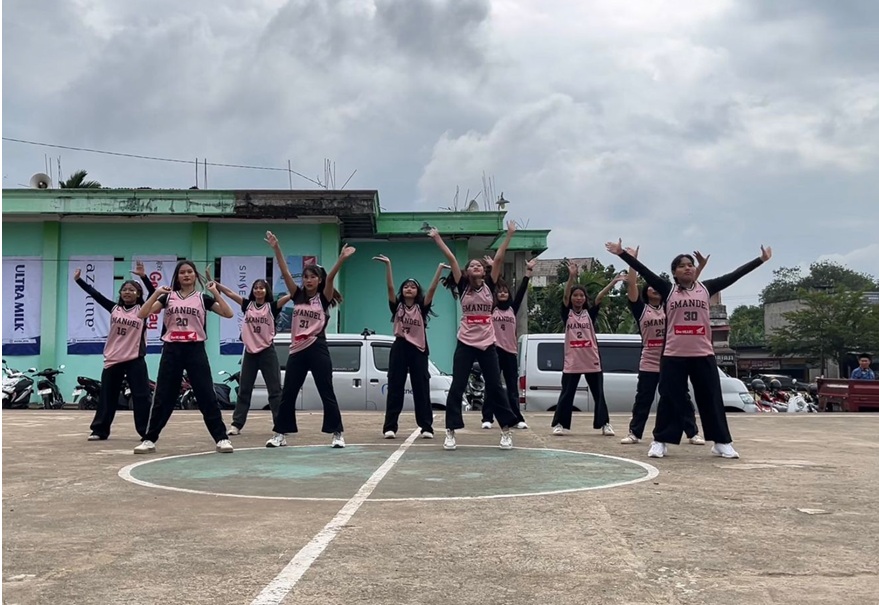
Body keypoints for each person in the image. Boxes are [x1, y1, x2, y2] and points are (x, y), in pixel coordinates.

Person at [606, 240, 772, 459]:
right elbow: (645, 272)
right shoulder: (668, 290)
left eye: (691, 264)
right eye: (682, 265)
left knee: (711, 398)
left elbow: (734, 275)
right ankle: (660, 441)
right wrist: (623, 255)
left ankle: (721, 442)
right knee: (669, 397)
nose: (688, 267)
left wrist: (760, 259)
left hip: (703, 354)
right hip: (674, 355)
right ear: (674, 272)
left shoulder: (707, 288)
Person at [429, 222, 520, 451]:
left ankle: (506, 431)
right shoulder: (463, 286)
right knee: (458, 385)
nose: (477, 266)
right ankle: (450, 431)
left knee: (495, 387)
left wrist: (508, 235)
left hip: (488, 342)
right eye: (473, 265)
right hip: (466, 341)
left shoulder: (490, 285)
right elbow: (451, 258)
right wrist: (437, 237)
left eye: (480, 264)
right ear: (468, 272)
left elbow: (498, 258)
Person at [135, 260, 236, 454]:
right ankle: (149, 439)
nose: (186, 275)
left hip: (195, 349)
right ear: (177, 276)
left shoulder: (202, 298)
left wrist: (215, 291)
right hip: (172, 349)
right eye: (182, 272)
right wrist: (156, 293)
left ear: (195, 276)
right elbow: (142, 313)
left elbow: (228, 313)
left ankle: (221, 438)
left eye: (190, 272)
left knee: (206, 394)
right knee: (163, 396)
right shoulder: (168, 298)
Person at [267, 231, 354, 448]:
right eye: (305, 277)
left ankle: (337, 433)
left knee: (326, 390)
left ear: (319, 280)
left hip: (317, 346)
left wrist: (341, 259)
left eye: (313, 277)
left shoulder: (323, 298)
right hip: (297, 349)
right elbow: (285, 271)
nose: (308, 280)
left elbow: (331, 277)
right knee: (288, 393)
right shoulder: (297, 295)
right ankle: (280, 434)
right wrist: (276, 248)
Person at [619, 248, 706, 446]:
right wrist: (632, 260)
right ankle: (635, 433)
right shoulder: (641, 309)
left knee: (682, 397)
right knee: (643, 399)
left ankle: (692, 433)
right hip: (649, 361)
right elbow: (632, 284)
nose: (654, 288)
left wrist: (699, 267)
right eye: (649, 286)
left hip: (671, 359)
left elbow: (692, 285)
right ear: (646, 291)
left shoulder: (672, 302)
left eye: (656, 286)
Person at [73, 261, 155, 441]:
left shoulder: (143, 310)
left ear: (138, 294)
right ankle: (99, 430)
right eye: (124, 289)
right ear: (120, 294)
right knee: (107, 396)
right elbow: (95, 295)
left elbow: (155, 294)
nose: (127, 292)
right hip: (114, 358)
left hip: (135, 358)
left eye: (132, 290)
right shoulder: (114, 308)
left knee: (142, 396)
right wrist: (79, 280)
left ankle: (146, 432)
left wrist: (143, 276)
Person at [373, 254, 446, 439]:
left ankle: (426, 427)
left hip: (419, 350)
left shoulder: (422, 308)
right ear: (402, 290)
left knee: (421, 388)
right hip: (399, 348)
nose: (409, 289)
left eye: (413, 287)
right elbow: (389, 287)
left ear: (417, 291)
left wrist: (439, 269)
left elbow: (432, 289)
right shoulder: (396, 306)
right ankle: (390, 427)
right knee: (395, 388)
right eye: (406, 286)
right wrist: (388, 265)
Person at [551, 262, 624, 437]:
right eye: (575, 295)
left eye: (581, 296)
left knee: (599, 394)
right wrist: (571, 277)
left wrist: (613, 283)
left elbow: (599, 296)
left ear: (585, 299)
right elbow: (565, 295)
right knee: (567, 394)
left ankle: (605, 424)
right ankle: (560, 424)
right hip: (572, 360)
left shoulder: (589, 314)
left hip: (591, 359)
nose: (578, 298)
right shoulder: (566, 313)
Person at [213, 276, 291, 435]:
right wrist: (216, 285)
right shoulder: (247, 305)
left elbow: (289, 296)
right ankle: (236, 425)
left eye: (261, 288)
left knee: (275, 391)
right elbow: (229, 293)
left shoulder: (272, 307)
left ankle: (281, 424)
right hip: (249, 353)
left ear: (266, 291)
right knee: (244, 390)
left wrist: (303, 288)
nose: (258, 290)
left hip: (267, 352)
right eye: (256, 287)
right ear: (252, 291)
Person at [480, 256, 537, 430]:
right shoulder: (492, 308)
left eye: (505, 291)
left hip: (510, 352)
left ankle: (516, 418)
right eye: (500, 292)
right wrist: (492, 267)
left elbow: (520, 291)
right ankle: (487, 418)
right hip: (494, 351)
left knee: (512, 387)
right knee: (492, 385)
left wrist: (528, 272)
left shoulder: (513, 307)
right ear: (496, 295)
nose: (503, 293)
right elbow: (493, 285)